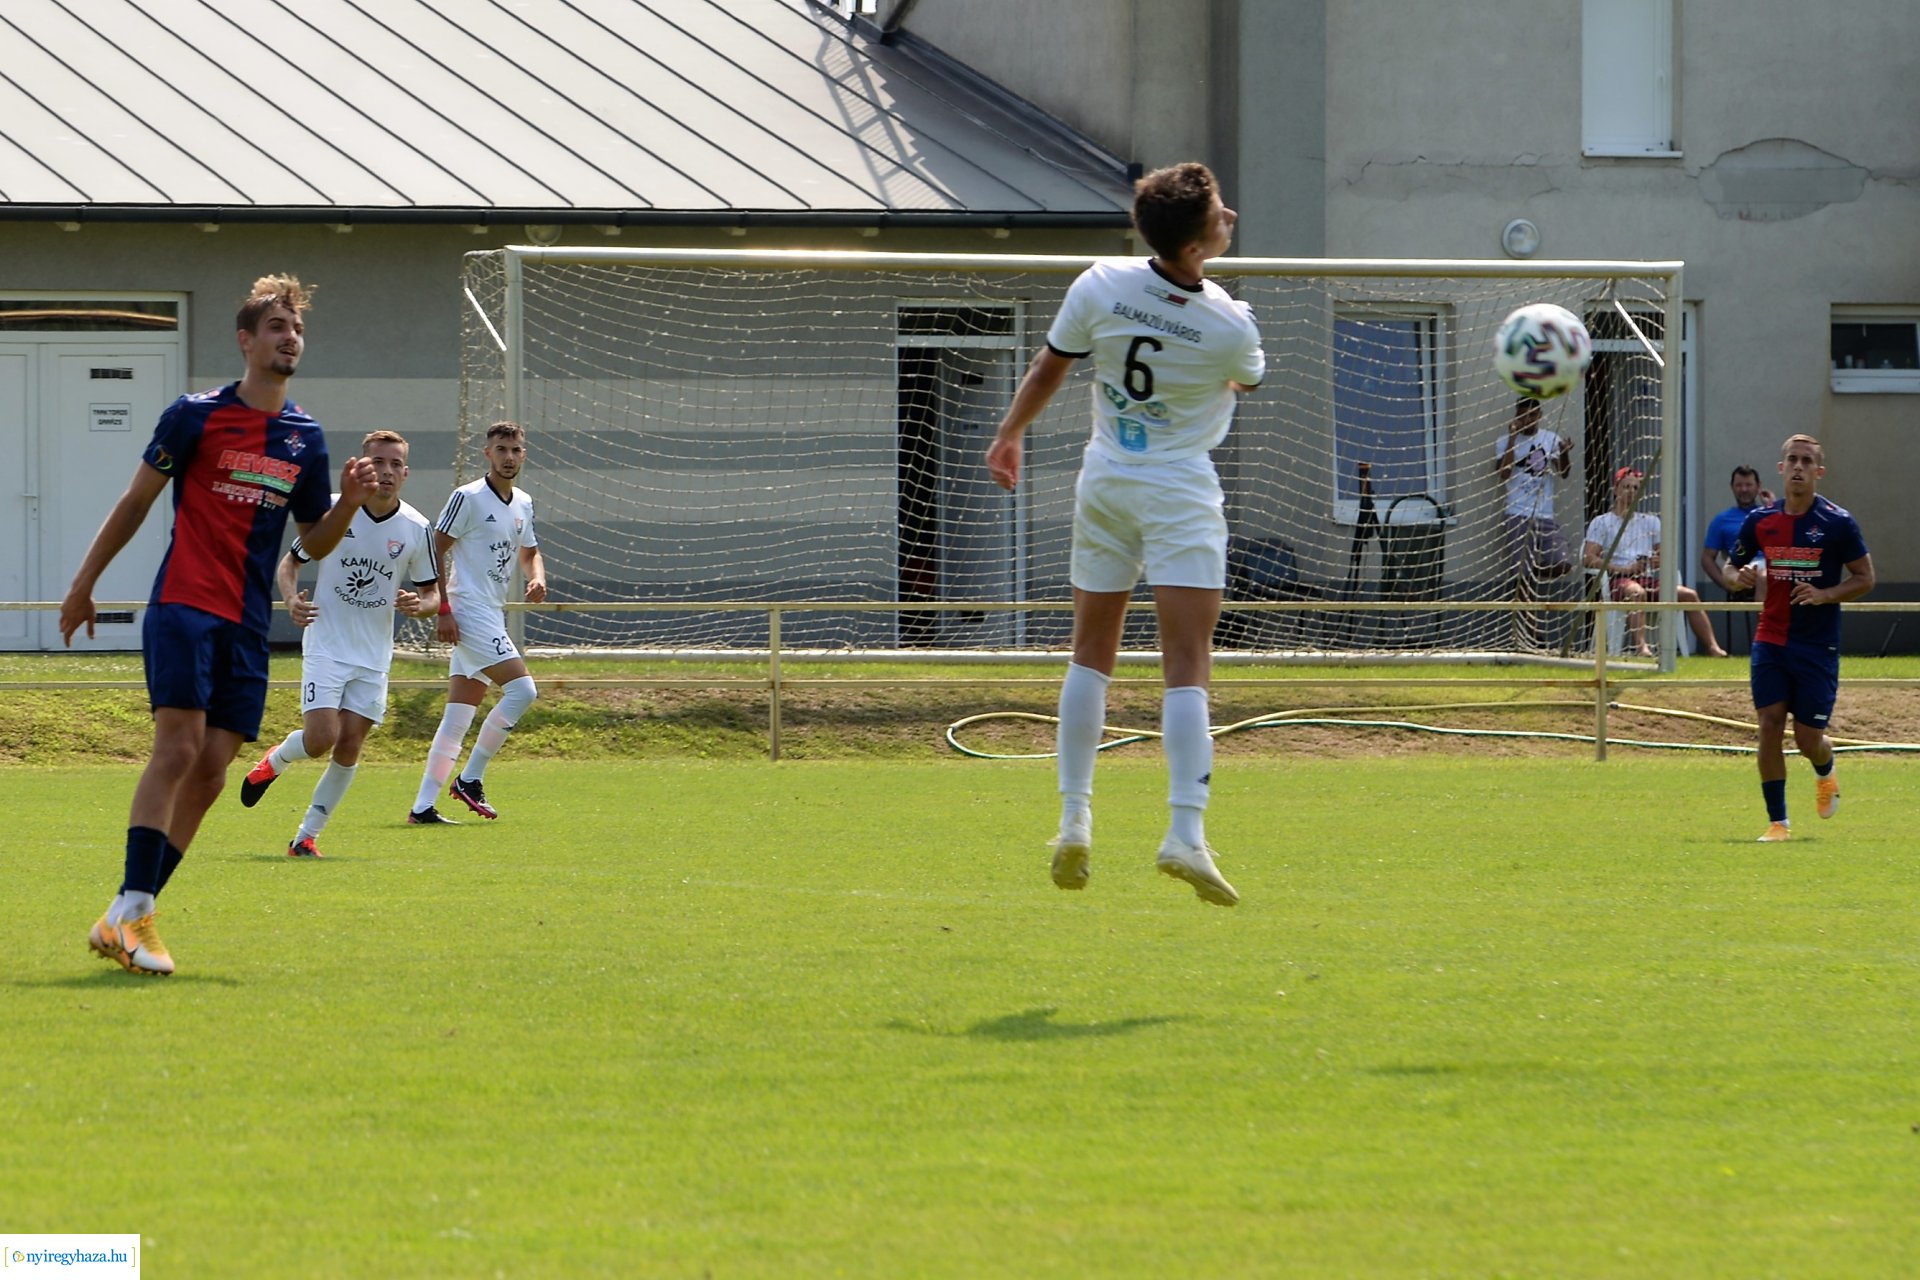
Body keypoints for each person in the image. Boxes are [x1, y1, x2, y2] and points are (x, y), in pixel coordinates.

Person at [60, 275, 376, 976]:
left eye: (296, 330)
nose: (289, 339)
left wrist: (348, 503)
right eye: (276, 329)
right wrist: (84, 586)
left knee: (208, 773)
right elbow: (136, 502)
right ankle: (139, 913)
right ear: (245, 341)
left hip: (243, 624)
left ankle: (124, 915)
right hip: (183, 606)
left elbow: (312, 542)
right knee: (176, 751)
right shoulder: (193, 416)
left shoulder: (305, 437)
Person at [984, 161, 1264, 907]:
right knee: (1187, 666)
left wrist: (1009, 434)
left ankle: (1074, 818)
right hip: (1177, 491)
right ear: (1200, 244)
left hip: (1105, 479)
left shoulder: (1099, 283)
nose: (1229, 214)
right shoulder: (1229, 323)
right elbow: (1240, 378)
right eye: (1218, 213)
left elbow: (1049, 367)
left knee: (1090, 654)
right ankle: (1185, 832)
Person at [238, 430, 441, 855]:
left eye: (395, 464)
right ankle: (274, 761)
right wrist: (291, 599)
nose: (386, 472)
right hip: (327, 644)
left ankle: (306, 836)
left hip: (373, 653)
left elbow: (432, 595)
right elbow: (290, 563)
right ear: (360, 466)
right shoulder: (333, 510)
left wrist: (417, 605)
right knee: (320, 740)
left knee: (349, 745)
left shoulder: (417, 528)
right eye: (378, 462)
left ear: (406, 472)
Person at [1729, 435, 1873, 842]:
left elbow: (1866, 578)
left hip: (1817, 645)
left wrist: (1825, 594)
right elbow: (1729, 567)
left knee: (1809, 739)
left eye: (1806, 461)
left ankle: (1825, 769)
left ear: (1818, 472)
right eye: (1791, 459)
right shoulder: (1760, 520)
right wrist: (1735, 577)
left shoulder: (1837, 522)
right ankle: (1779, 823)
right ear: (1780, 468)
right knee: (1769, 725)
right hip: (1771, 638)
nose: (1797, 467)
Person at [406, 421, 547, 824]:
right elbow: (432, 551)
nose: (509, 457)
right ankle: (470, 779)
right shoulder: (467, 498)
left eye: (516, 450)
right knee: (523, 692)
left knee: (458, 717)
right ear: (488, 454)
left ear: (523, 453)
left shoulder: (523, 502)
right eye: (501, 449)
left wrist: (537, 576)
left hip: (491, 612)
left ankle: (421, 808)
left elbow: (530, 552)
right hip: (468, 611)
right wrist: (444, 609)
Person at [1582, 466, 1727, 659]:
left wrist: (1659, 560)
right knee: (1636, 592)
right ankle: (1642, 647)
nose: (1631, 492)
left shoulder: (1650, 522)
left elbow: (1664, 553)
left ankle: (1713, 648)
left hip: (1646, 578)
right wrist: (1623, 568)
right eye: (1626, 487)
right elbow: (1588, 558)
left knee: (1689, 594)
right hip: (1618, 580)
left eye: (1636, 488)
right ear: (1616, 490)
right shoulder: (1602, 522)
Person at [1494, 398, 1574, 646]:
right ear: (1516, 417)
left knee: (1562, 563)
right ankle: (1533, 630)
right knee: (1522, 573)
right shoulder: (1504, 442)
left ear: (1539, 415)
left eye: (1532, 415)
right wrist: (1512, 438)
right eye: (1523, 416)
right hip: (1516, 512)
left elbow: (1564, 472)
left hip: (1544, 514)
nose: (1528, 420)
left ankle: (1534, 574)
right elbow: (1504, 473)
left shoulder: (1550, 438)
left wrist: (1564, 452)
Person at [1699, 464, 1768, 653]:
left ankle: (1767, 642)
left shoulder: (1768, 514)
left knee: (1766, 575)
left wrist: (1772, 506)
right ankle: (1765, 644)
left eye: (1748, 485)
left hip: (1774, 568)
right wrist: (1724, 582)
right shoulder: (1722, 520)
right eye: (1739, 485)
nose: (1744, 490)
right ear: (1732, 487)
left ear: (1758, 486)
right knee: (1761, 575)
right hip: (1742, 570)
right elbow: (1707, 558)